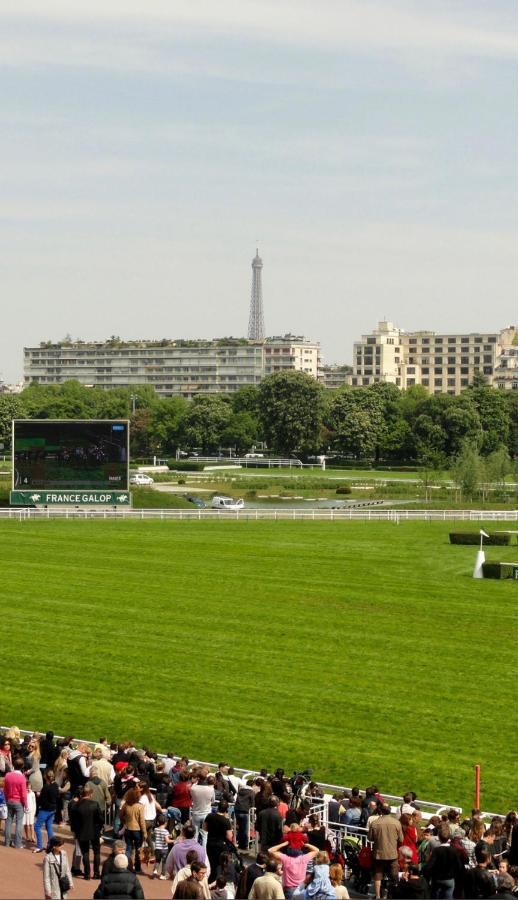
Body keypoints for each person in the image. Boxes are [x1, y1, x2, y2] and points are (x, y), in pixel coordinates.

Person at [369, 804, 404, 900]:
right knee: (394, 875)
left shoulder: (375, 823)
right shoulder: (396, 823)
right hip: (392, 854)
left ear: (381, 811)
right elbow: (401, 839)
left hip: (378, 854)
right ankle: (393, 895)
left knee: (378, 875)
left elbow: (370, 838)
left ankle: (378, 896)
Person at [423, 822, 464, 899]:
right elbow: (459, 866)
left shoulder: (437, 851)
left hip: (437, 879)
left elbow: (430, 865)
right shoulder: (454, 851)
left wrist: (425, 872)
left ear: (439, 837)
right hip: (449, 879)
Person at [74, 784, 104, 879]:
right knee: (97, 852)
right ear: (90, 794)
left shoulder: (76, 806)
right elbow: (101, 819)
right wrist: (99, 828)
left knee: (85, 852)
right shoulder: (95, 804)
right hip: (94, 831)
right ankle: (96, 873)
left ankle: (87, 874)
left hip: (82, 832)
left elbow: (74, 822)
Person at [120, 786, 147, 873]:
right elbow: (142, 821)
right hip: (137, 830)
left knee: (128, 848)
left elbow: (121, 815)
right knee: (138, 849)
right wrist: (144, 832)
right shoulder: (140, 806)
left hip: (128, 829)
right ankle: (138, 867)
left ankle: (127, 866)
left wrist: (125, 822)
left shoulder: (126, 805)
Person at [204, 800, 234, 876]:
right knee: (221, 866)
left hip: (210, 844)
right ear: (226, 810)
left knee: (213, 865)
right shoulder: (226, 821)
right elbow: (229, 837)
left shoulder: (209, 816)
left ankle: (212, 879)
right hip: (221, 846)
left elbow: (205, 828)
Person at [4, 757, 28, 849]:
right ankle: (17, 844)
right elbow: (23, 793)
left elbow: (5, 790)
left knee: (9, 821)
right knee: (19, 822)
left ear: (13, 765)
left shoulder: (8, 775)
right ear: (22, 766)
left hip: (9, 800)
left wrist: (6, 799)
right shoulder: (22, 778)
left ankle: (7, 842)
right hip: (19, 802)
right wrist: (26, 804)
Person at [34, 769, 59, 852]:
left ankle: (40, 845)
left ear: (46, 777)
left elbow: (41, 800)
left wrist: (39, 795)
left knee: (37, 826)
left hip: (45, 809)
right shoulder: (56, 785)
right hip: (53, 808)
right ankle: (51, 845)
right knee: (49, 827)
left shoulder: (46, 787)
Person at [43, 836, 74, 900]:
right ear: (54, 847)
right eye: (60, 846)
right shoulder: (48, 858)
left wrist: (71, 882)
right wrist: (48, 891)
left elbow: (67, 870)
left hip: (63, 885)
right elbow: (46, 877)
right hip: (54, 886)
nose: (62, 847)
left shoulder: (64, 854)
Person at [152, 812, 172, 879]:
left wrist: (168, 836)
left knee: (157, 860)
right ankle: (162, 875)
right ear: (166, 823)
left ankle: (155, 871)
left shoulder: (155, 829)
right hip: (164, 849)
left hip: (157, 848)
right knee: (164, 862)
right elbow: (167, 841)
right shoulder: (166, 831)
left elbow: (156, 836)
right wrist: (174, 840)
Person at [23, 780, 37, 846]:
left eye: (29, 787)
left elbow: (34, 803)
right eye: (27, 787)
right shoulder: (24, 793)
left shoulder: (32, 794)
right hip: (25, 811)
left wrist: (34, 811)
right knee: (26, 824)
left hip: (31, 811)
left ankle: (32, 837)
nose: (28, 788)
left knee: (31, 824)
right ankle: (27, 836)